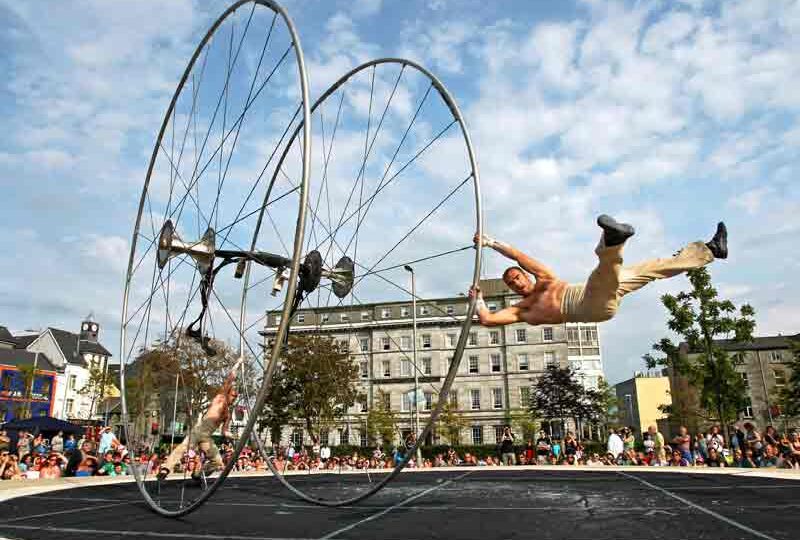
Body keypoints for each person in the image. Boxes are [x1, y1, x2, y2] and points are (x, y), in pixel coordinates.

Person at [469, 217, 727, 326]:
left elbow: (517, 255)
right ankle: (612, 241)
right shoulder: (522, 310)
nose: (516, 283)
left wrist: (490, 243)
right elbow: (488, 319)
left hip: (593, 291)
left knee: (649, 268)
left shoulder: (545, 278)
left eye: (517, 277)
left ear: (525, 275)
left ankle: (710, 251)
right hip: (589, 307)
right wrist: (477, 299)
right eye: (512, 283)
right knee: (601, 276)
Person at [158, 361, 240, 480]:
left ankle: (198, 474)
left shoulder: (228, 414)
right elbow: (229, 380)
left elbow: (224, 432)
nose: (234, 398)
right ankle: (166, 468)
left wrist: (233, 436)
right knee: (183, 447)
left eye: (236, 397)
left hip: (207, 437)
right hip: (198, 431)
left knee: (218, 461)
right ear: (228, 394)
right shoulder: (220, 399)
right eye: (233, 395)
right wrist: (236, 366)